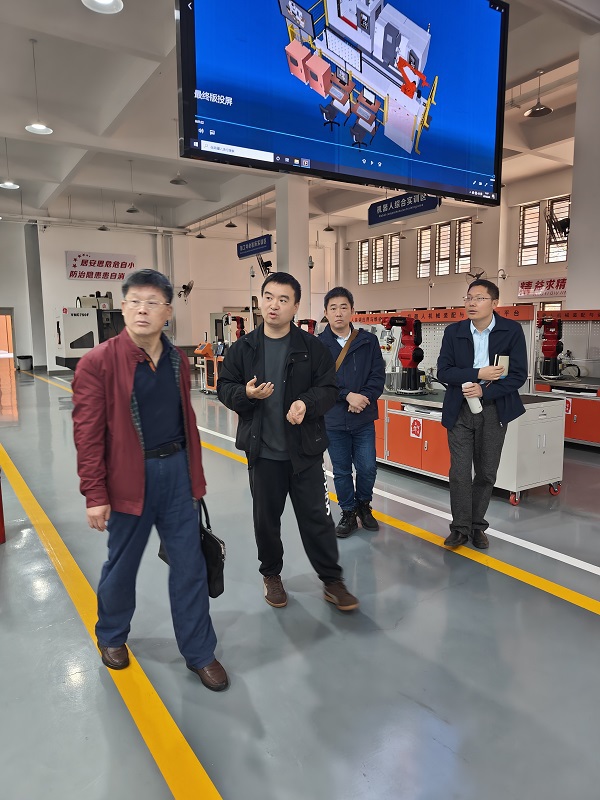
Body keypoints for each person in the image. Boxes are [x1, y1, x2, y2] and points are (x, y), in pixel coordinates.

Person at [72, 269, 228, 691]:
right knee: (122, 565)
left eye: (152, 302)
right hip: (128, 477)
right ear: (123, 308)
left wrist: (194, 479)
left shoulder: (177, 359)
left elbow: (186, 421)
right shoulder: (98, 362)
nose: (143, 309)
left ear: (168, 313)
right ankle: (111, 635)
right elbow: (87, 435)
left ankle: (199, 652)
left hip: (176, 474)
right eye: (135, 301)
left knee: (189, 566)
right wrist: (95, 493)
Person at [217, 272, 359, 612]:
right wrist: (245, 394)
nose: (274, 305)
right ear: (260, 300)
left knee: (317, 519)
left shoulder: (312, 348)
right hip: (263, 453)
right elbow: (224, 387)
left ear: (296, 306)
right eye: (268, 297)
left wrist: (305, 405)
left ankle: (332, 580)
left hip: (305, 452)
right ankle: (271, 575)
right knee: (266, 520)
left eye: (283, 300)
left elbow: (328, 389)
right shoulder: (244, 348)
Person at [437, 279, 527, 550]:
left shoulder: (511, 331)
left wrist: (485, 391)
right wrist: (479, 373)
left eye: (479, 298)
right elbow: (444, 371)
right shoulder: (454, 332)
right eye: (468, 298)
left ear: (494, 303)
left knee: (487, 472)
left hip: (494, 408)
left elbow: (518, 375)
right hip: (460, 409)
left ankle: (477, 526)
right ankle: (460, 528)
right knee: (460, 472)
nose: (471, 303)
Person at [318, 287, 386, 538]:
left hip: (363, 417)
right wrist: (347, 395)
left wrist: (363, 399)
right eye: (333, 308)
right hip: (333, 419)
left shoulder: (368, 341)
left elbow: (377, 376)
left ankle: (364, 506)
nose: (338, 313)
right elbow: (319, 381)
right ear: (326, 313)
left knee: (368, 467)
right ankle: (348, 512)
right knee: (342, 470)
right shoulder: (318, 345)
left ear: (352, 311)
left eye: (343, 307)